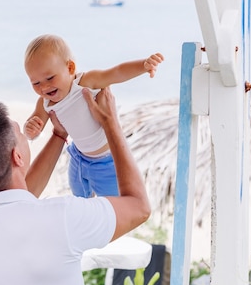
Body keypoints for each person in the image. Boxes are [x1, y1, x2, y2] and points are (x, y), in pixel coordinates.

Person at [0, 87, 150, 285]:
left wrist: (59, 135)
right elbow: (138, 206)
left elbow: (15, 200)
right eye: (20, 134)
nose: (24, 136)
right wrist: (110, 123)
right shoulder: (63, 217)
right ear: (17, 156)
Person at [23, 33, 164, 197]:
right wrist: (30, 129)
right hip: (79, 158)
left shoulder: (86, 82)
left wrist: (143, 66)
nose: (44, 87)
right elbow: (34, 124)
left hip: (107, 161)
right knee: (80, 198)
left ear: (70, 68)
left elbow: (116, 73)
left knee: (114, 204)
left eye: (50, 78)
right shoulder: (44, 102)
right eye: (36, 83)